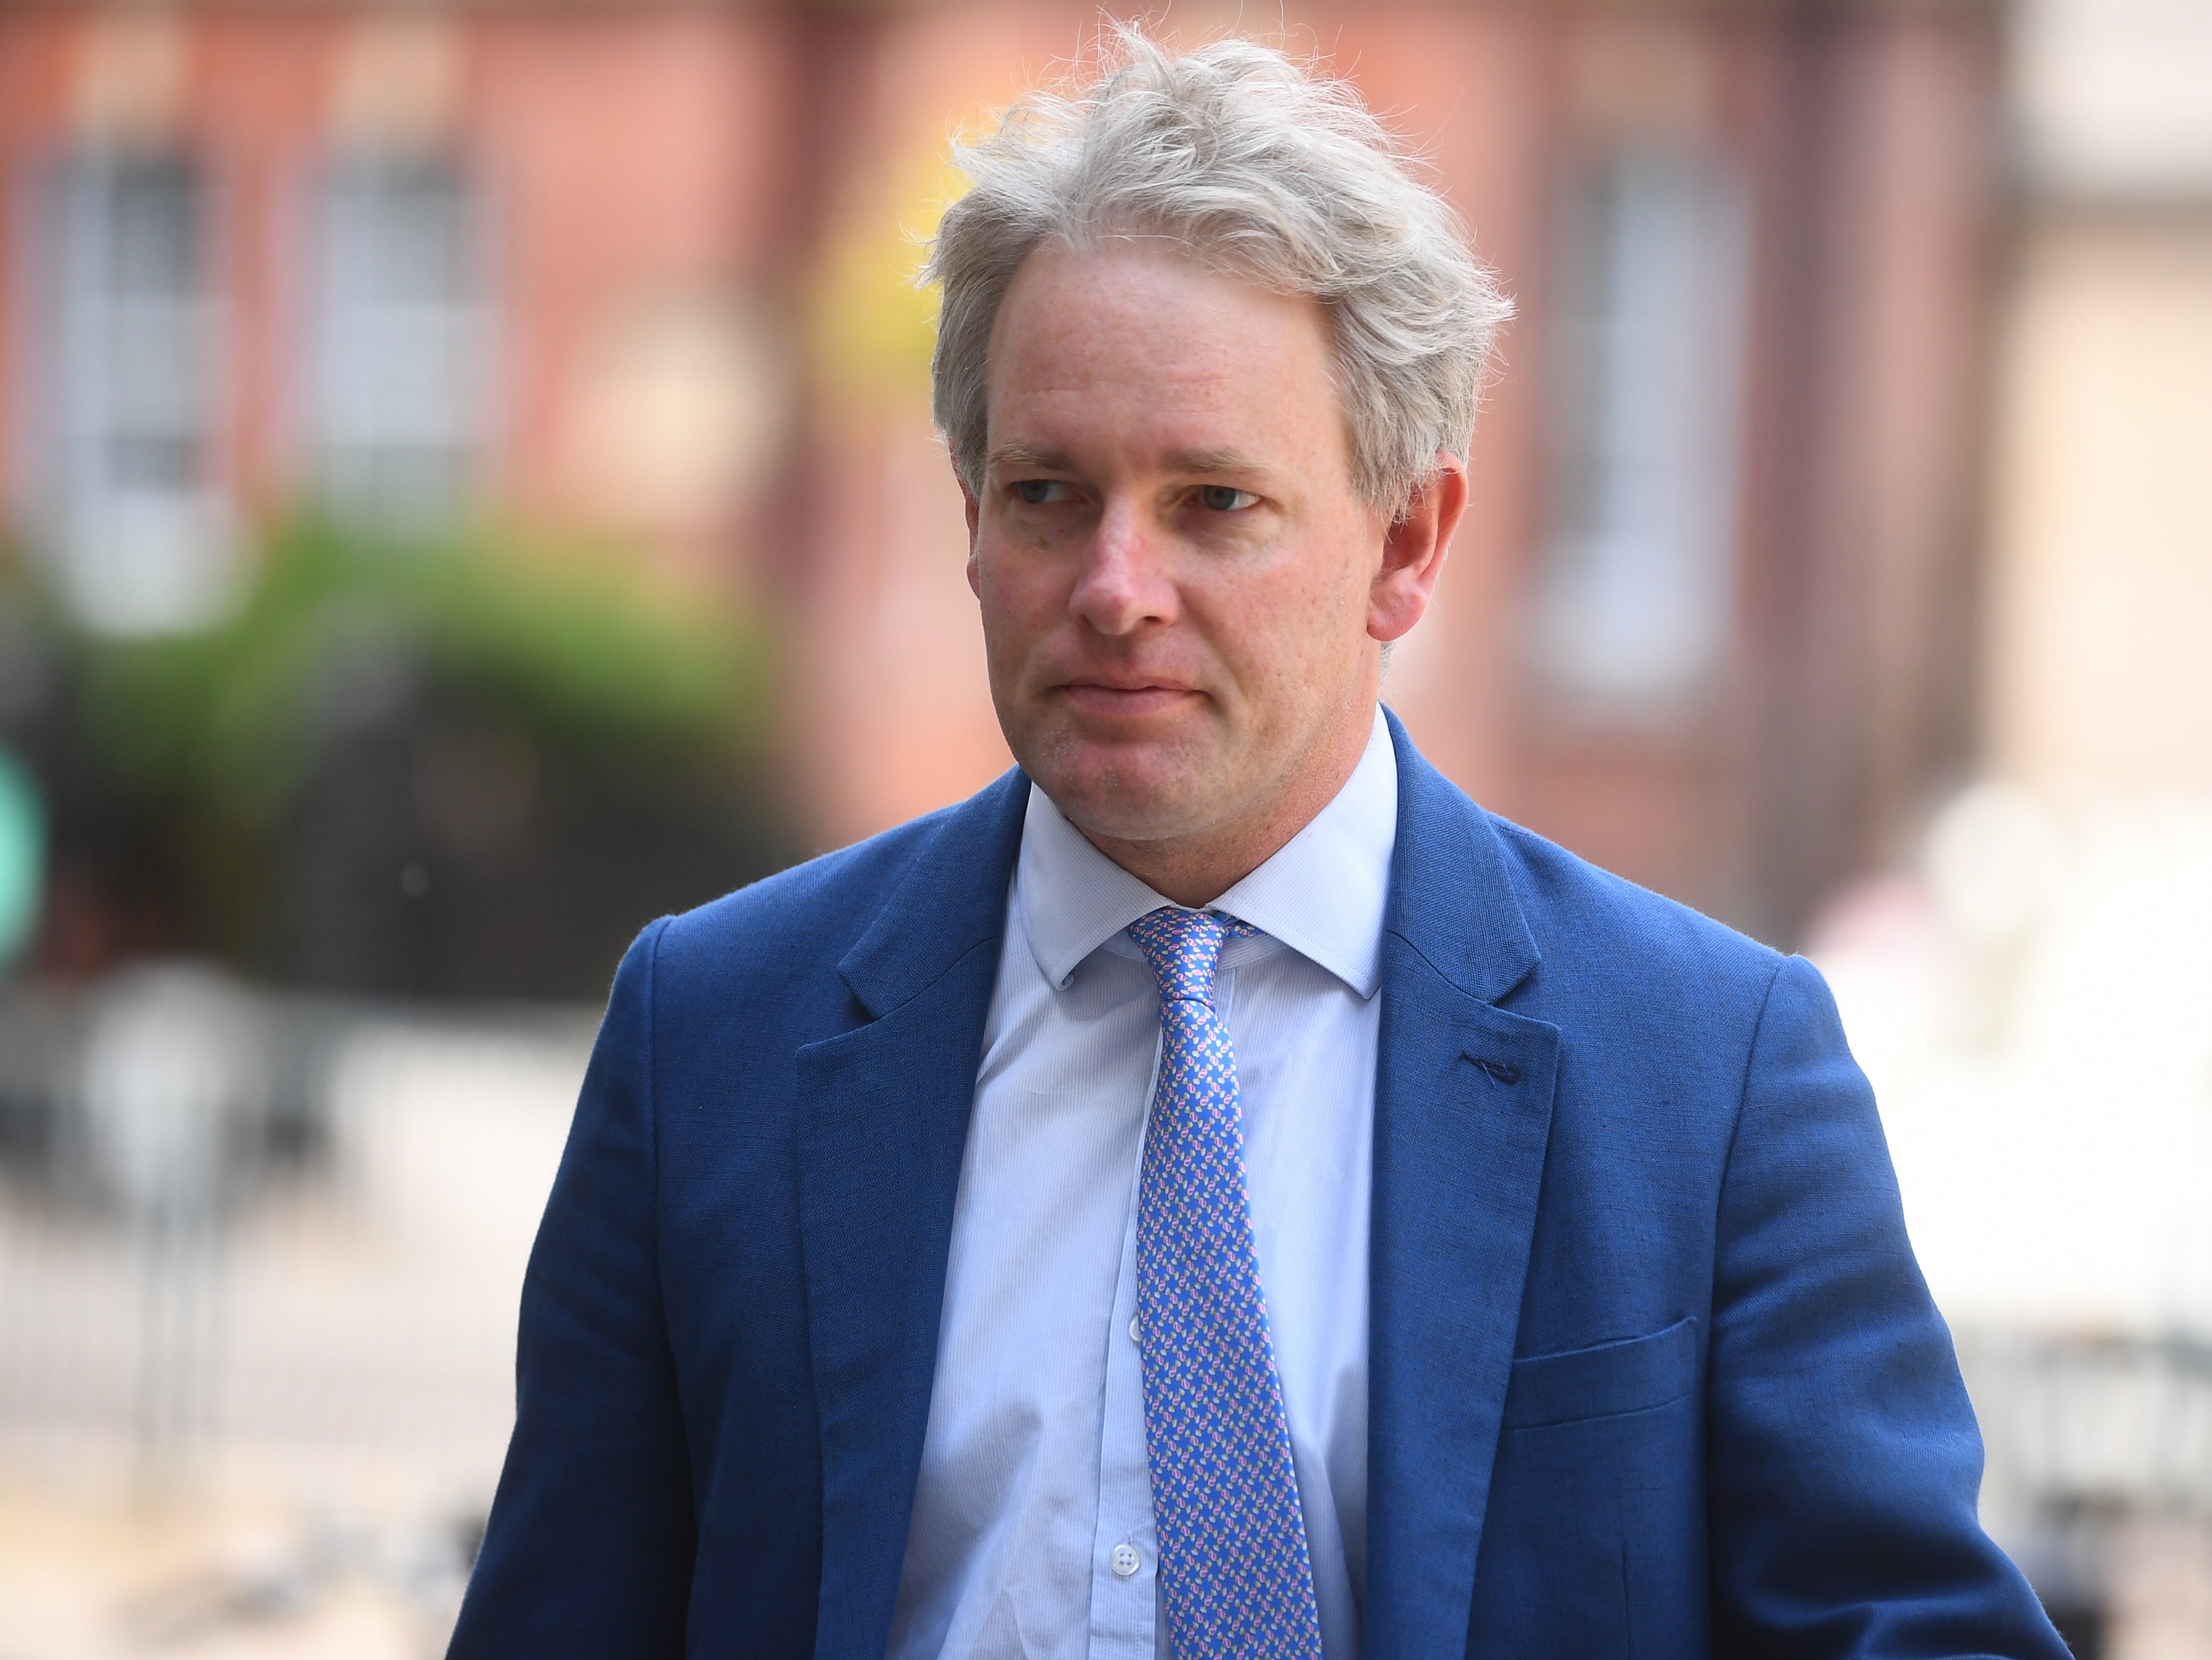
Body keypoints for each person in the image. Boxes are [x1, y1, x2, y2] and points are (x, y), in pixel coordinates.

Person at [448, 29, 2068, 1660]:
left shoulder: (1704, 1075)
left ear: (1406, 542)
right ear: (971, 516)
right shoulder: (712, 1033)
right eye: (1047, 494)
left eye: (1214, 502)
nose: (1115, 587)